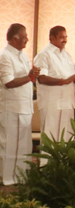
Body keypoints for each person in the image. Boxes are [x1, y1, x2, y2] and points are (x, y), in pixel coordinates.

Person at [0, 23, 40, 185]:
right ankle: (7, 178)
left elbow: (26, 77)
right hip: (11, 107)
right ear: (15, 39)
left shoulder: (22, 55)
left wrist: (32, 75)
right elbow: (8, 82)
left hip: (25, 107)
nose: (27, 40)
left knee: (23, 145)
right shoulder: (5, 56)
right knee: (9, 144)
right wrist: (30, 77)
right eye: (24, 37)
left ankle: (21, 176)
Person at [34, 26, 75, 150]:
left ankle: (63, 168)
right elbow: (42, 78)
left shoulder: (67, 56)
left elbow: (71, 77)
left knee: (66, 138)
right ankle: (47, 168)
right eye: (61, 37)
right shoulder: (44, 55)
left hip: (67, 103)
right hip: (52, 104)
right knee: (50, 138)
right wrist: (63, 81)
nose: (64, 40)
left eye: (66, 37)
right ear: (51, 38)